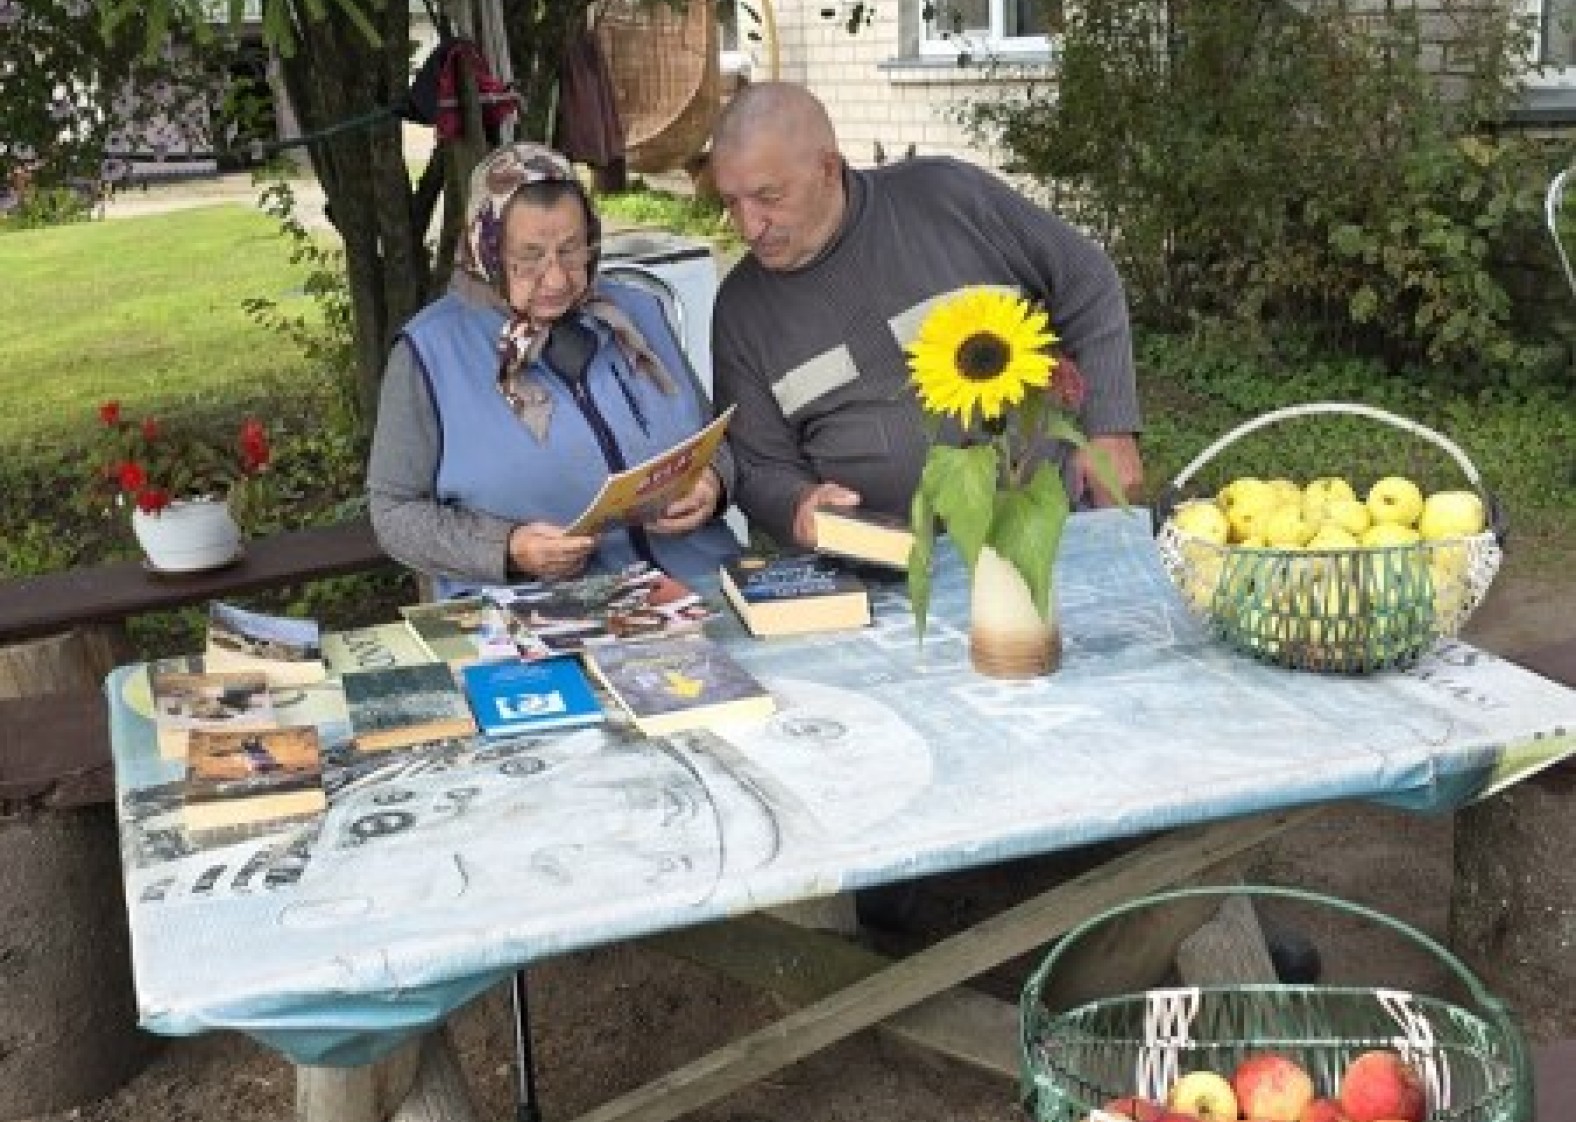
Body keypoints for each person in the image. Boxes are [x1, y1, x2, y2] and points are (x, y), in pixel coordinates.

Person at [707, 82, 1144, 551]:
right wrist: (799, 505)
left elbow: (1086, 277)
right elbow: (759, 465)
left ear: (828, 169)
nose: (749, 226)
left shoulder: (947, 199)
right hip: (886, 573)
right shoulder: (741, 311)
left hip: (1051, 524)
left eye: (768, 197)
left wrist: (1110, 428)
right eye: (731, 202)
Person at [368, 143, 740, 597]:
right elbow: (394, 511)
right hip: (540, 614)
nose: (557, 279)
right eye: (528, 258)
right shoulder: (431, 352)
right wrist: (507, 548)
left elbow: (713, 441)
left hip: (697, 586)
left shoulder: (637, 315)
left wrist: (712, 485)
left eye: (570, 250)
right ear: (485, 247)